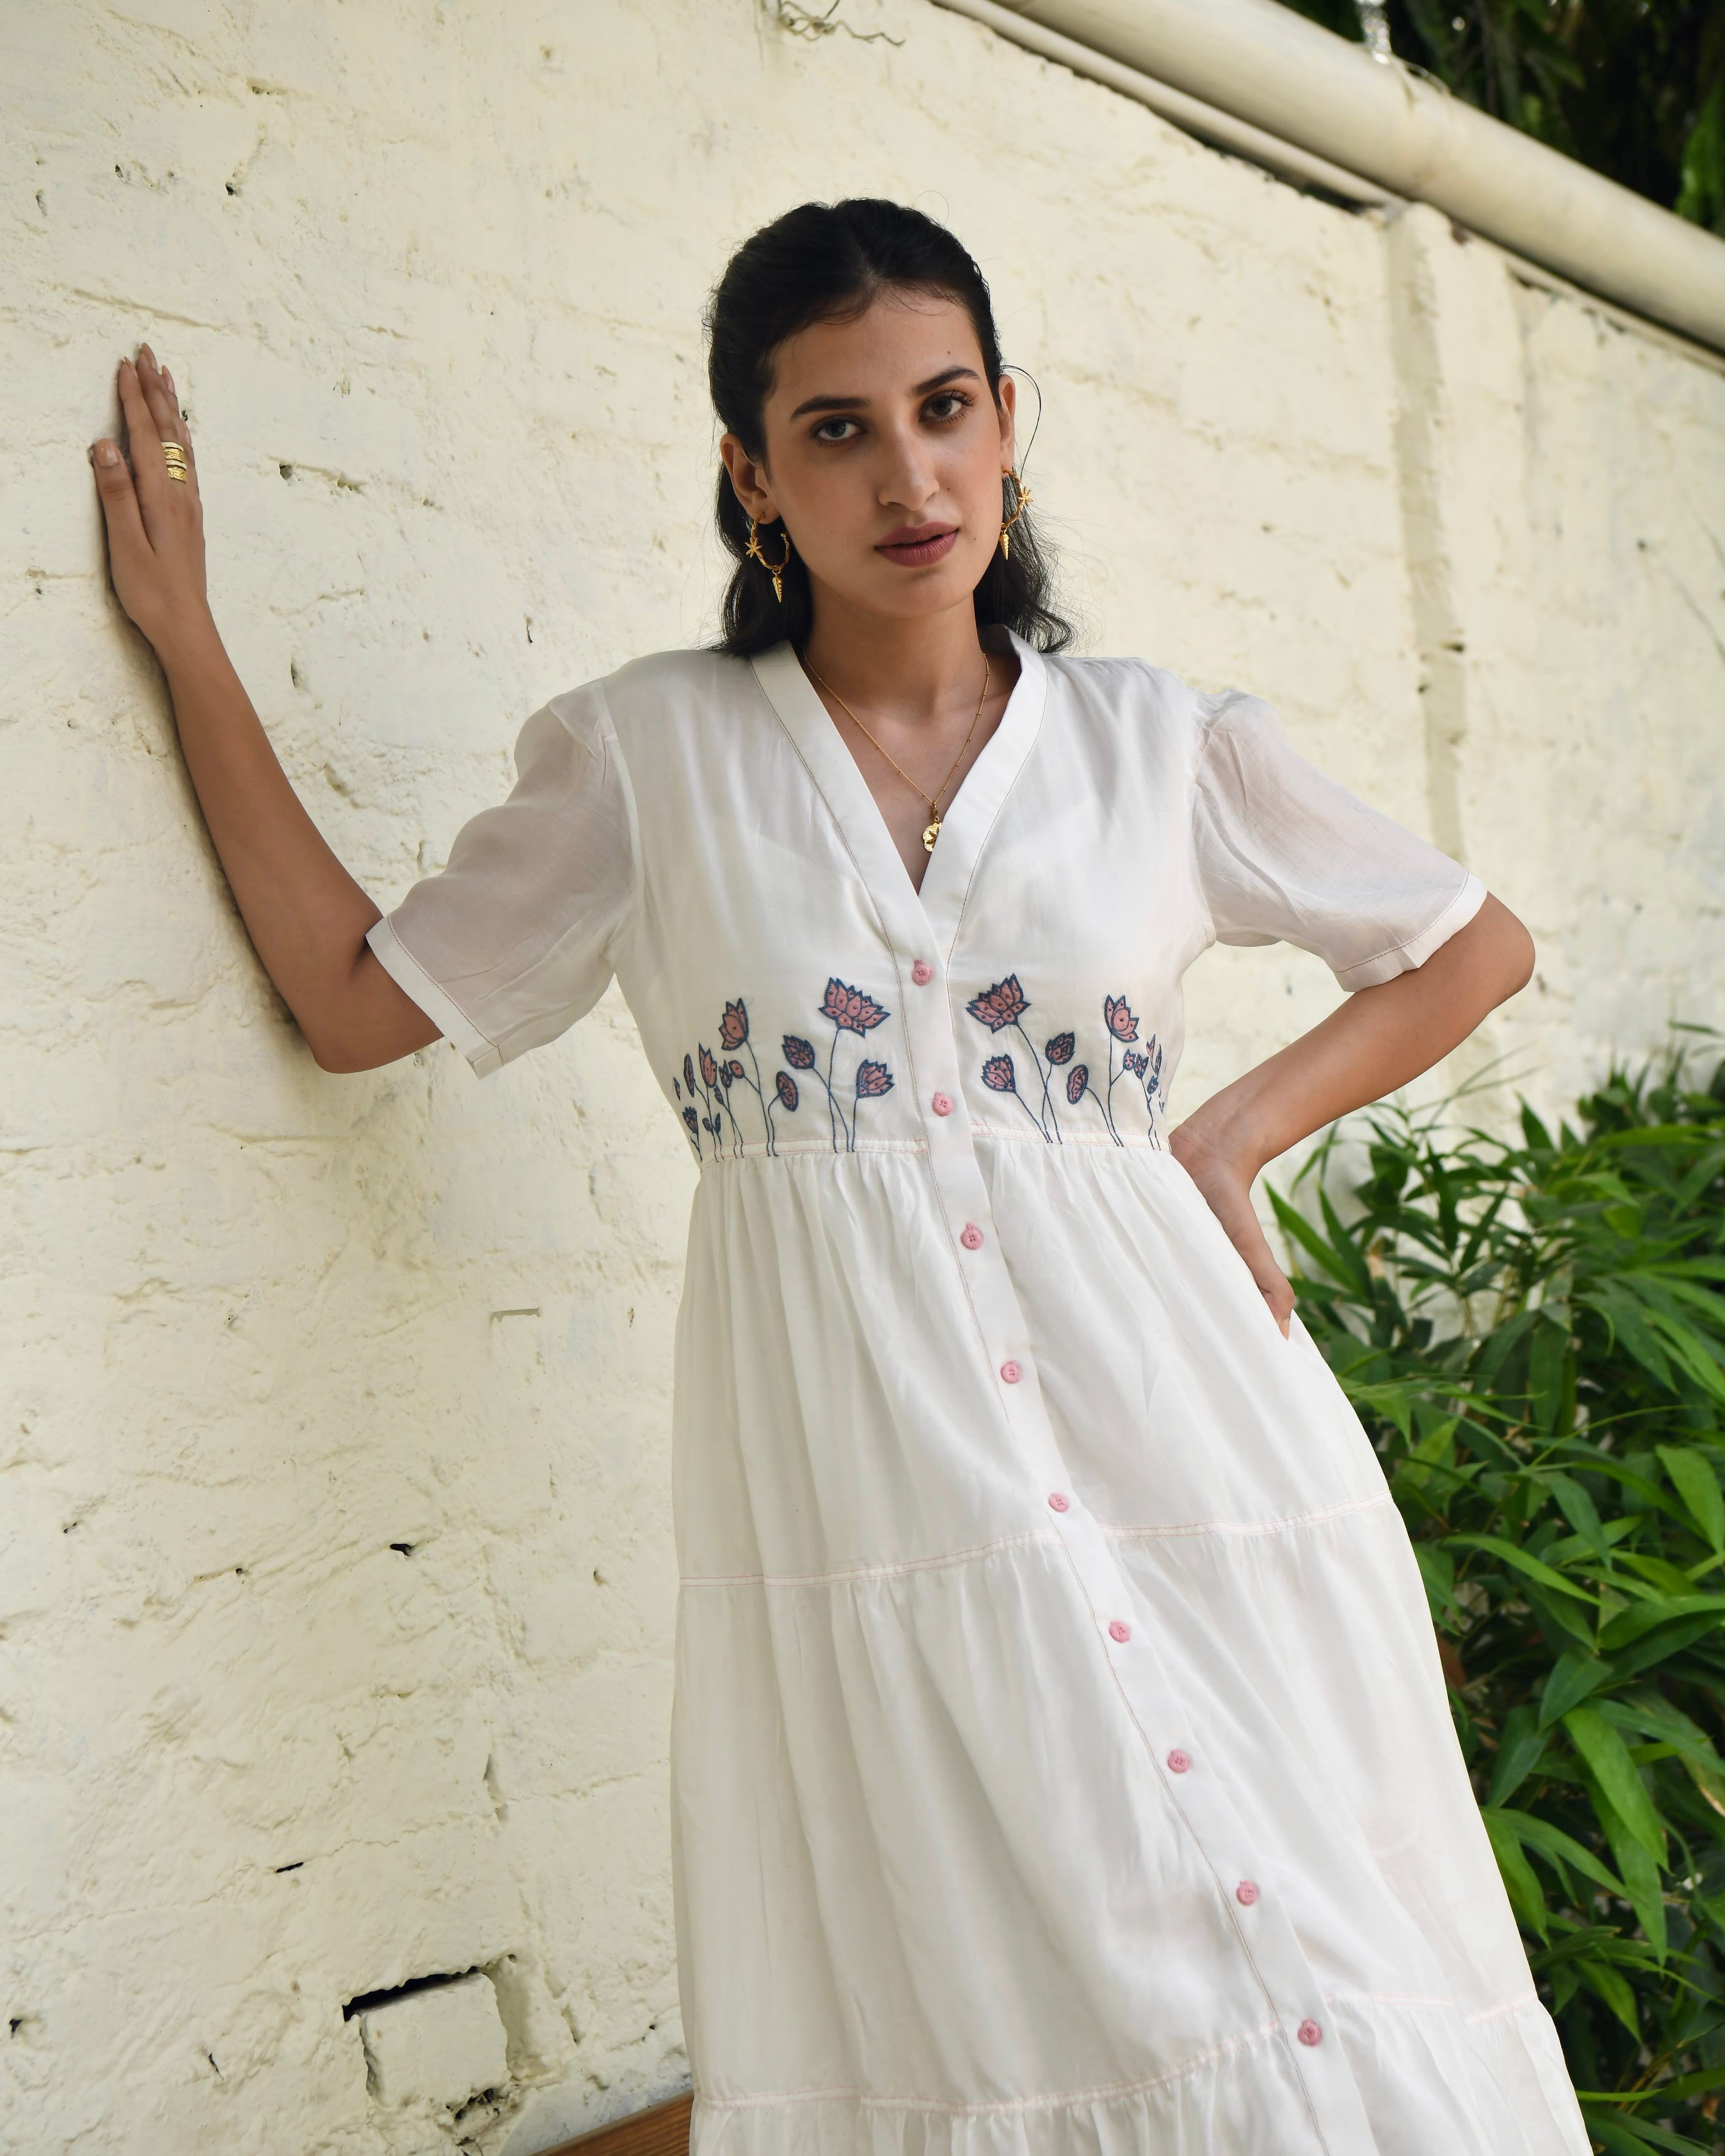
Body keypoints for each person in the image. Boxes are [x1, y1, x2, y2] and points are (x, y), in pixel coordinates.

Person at [90, 197, 1586, 2155]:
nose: (910, 475)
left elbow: (1468, 945)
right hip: (872, 1481)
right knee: (1000, 1990)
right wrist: (193, 645)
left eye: (946, 408)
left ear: (1009, 421)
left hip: (1195, 1449)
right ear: (752, 475)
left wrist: (1227, 1134)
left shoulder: (1161, 745)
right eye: (839, 429)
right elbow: (358, 1003)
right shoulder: (647, 758)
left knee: (1317, 1954)